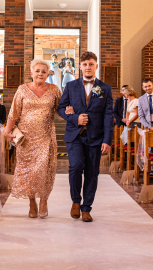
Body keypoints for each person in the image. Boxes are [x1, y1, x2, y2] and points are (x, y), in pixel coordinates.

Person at [57, 51, 114, 222]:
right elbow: (61, 108)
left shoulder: (104, 88)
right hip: (75, 135)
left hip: (96, 136)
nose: (88, 67)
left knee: (92, 172)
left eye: (91, 64)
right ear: (80, 67)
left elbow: (108, 115)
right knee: (75, 167)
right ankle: (76, 201)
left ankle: (86, 208)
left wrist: (107, 140)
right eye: (84, 64)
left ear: (96, 66)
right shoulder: (71, 86)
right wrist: (75, 118)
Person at [4, 59, 62, 219]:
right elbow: (14, 112)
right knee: (29, 171)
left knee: (44, 170)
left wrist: (70, 112)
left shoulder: (54, 90)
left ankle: (43, 201)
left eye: (44, 71)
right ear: (31, 73)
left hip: (46, 136)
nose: (40, 74)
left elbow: (61, 111)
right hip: (26, 139)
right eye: (37, 71)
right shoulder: (22, 89)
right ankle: (32, 202)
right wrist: (7, 131)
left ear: (48, 74)